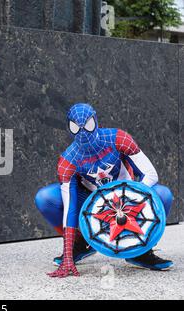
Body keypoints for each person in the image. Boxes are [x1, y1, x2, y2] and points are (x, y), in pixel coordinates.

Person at [34, 103, 173, 278]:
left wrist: (130, 197)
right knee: (45, 198)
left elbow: (150, 174)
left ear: (95, 121)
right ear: (69, 128)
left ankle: (140, 252)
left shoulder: (118, 139)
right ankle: (82, 243)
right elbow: (70, 207)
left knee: (163, 195)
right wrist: (67, 255)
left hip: (127, 195)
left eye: (88, 125)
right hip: (93, 202)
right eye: (77, 127)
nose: (83, 132)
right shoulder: (68, 160)